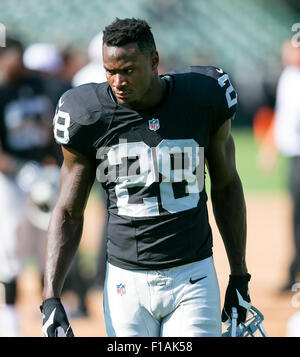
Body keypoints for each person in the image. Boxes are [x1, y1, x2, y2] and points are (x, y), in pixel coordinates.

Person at [40, 17, 251, 337]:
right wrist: (51, 296)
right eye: (110, 71)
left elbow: (226, 186)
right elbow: (69, 211)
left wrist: (239, 274)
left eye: (128, 70)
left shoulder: (203, 96)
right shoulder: (86, 115)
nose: (118, 81)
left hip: (192, 275)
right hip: (126, 282)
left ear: (154, 61)